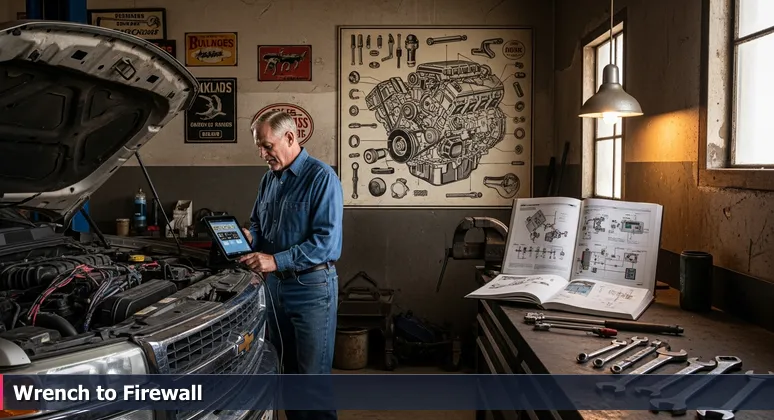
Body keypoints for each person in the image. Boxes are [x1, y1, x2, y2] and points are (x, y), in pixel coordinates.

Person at [239, 109, 342, 420]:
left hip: (311, 289)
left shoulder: (321, 178)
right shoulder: (268, 180)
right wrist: (249, 236)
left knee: (312, 381)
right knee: (285, 374)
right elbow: (259, 226)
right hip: (274, 290)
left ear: (290, 137)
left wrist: (276, 259)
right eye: (259, 146)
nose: (262, 154)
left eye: (267, 146)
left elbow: (326, 243)